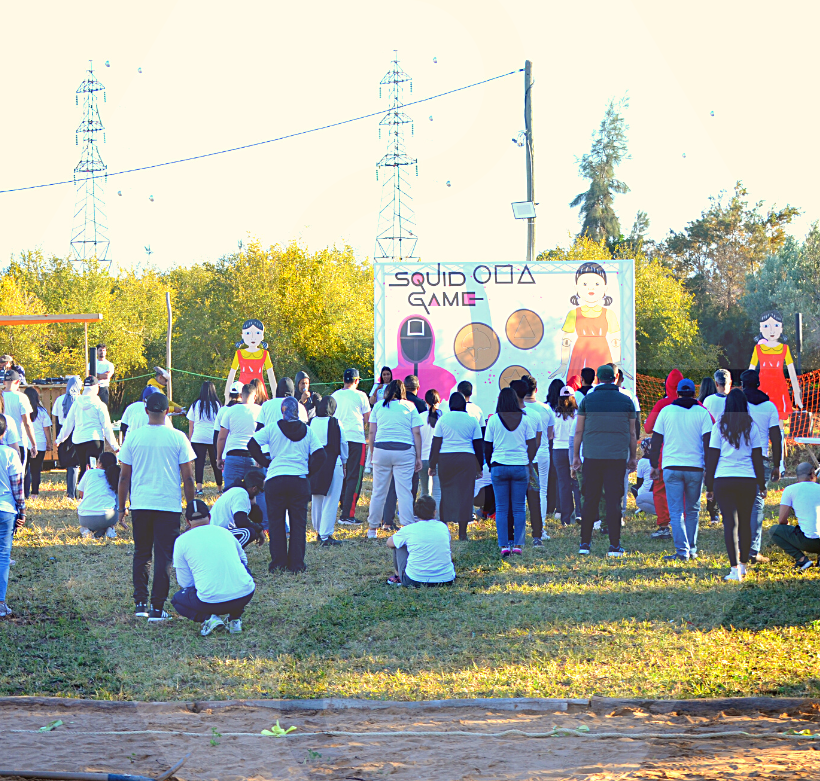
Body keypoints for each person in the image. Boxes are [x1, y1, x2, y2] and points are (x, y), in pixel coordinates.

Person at [118, 391, 196, 620]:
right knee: (164, 557)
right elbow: (189, 478)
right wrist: (191, 508)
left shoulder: (133, 437)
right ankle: (157, 608)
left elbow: (124, 477)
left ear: (145, 411)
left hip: (141, 504)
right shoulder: (178, 437)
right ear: (167, 411)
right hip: (168, 505)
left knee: (142, 553)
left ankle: (140, 603)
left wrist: (121, 508)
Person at [248, 396, 326, 573]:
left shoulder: (273, 428)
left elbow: (251, 443)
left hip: (276, 480)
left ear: (282, 410)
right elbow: (321, 455)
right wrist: (307, 471)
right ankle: (297, 564)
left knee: (276, 524)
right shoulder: (307, 430)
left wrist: (266, 462)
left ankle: (278, 564)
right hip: (298, 480)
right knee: (298, 525)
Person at [573, 364, 637, 557]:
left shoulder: (587, 400)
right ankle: (615, 546)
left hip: (592, 456)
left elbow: (579, 431)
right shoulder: (627, 401)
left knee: (590, 499)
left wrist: (576, 456)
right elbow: (633, 433)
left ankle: (584, 544)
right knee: (613, 500)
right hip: (617, 457)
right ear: (616, 377)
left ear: (597, 380)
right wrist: (633, 457)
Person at [649, 378, 713, 561]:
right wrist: (708, 468)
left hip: (671, 466)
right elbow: (708, 444)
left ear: (677, 393)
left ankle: (681, 551)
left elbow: (656, 441)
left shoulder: (666, 411)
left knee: (676, 512)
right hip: (695, 467)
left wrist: (654, 465)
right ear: (695, 394)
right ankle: (692, 549)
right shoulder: (702, 413)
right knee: (692, 510)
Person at [705, 388, 766, 582]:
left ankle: (733, 571)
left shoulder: (719, 426)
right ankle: (744, 566)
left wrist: (709, 486)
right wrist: (762, 484)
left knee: (730, 524)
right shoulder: (752, 426)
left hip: (724, 479)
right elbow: (757, 458)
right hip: (747, 480)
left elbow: (712, 457)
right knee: (746, 524)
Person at [172, 499, 256, 636]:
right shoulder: (225, 532)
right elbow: (243, 561)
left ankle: (209, 619)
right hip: (245, 593)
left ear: (187, 521)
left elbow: (185, 582)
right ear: (210, 517)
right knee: (242, 570)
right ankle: (235, 619)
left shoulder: (181, 541)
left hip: (209, 601)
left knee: (177, 600)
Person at [366, 379, 423, 538]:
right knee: (404, 491)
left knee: (378, 491)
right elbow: (416, 433)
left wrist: (372, 452)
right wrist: (418, 456)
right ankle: (407, 528)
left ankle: (372, 529)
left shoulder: (378, 406)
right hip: (405, 451)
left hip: (381, 450)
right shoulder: (410, 406)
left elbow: (371, 433)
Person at [484, 387, 537, 556]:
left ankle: (504, 546)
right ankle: (519, 545)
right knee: (519, 508)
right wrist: (527, 460)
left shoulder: (493, 420)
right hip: (520, 467)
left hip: (499, 466)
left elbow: (487, 446)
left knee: (501, 508)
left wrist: (491, 464)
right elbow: (533, 444)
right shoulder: (525, 419)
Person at [740, 368, 783, 565]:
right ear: (758, 384)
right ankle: (753, 550)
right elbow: (776, 436)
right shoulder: (769, 406)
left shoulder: (736, 405)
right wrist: (777, 464)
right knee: (757, 503)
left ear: (741, 385)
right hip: (762, 458)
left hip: (739, 458)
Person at [428, 391, 482, 540]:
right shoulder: (472, 420)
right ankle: (462, 533)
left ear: (450, 404)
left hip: (446, 459)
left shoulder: (443, 419)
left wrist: (432, 465)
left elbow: (436, 443)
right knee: (466, 495)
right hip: (467, 459)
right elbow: (478, 446)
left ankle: (445, 529)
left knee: (446, 493)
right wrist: (479, 468)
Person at [643, 369, 684, 540]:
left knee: (660, 490)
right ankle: (684, 525)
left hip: (664, 452)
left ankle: (664, 526)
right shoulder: (695, 404)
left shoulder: (662, 404)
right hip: (687, 452)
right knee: (685, 489)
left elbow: (647, 428)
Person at [55, 377, 118, 482]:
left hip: (78, 440)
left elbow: (68, 423)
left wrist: (59, 439)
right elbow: (106, 426)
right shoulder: (99, 405)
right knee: (94, 469)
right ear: (96, 387)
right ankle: (93, 491)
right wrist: (115, 446)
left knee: (83, 468)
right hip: (94, 439)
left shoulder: (76, 403)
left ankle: (82, 494)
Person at [386, 495, 456, 587]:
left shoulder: (409, 529)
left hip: (415, 580)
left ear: (416, 512)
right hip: (446, 579)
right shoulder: (443, 527)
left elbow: (390, 543)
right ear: (434, 512)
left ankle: (398, 576)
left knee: (398, 543)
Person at [510, 379, 547, 545]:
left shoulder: (505, 414)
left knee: (513, 501)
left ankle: (514, 536)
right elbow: (537, 441)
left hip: (512, 462)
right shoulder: (535, 415)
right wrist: (529, 458)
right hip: (530, 463)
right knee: (534, 500)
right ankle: (537, 535)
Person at [332, 369, 371, 524]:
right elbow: (368, 418)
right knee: (354, 477)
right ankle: (348, 514)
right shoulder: (361, 395)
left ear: (343, 380)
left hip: (339, 438)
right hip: (355, 438)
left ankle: (341, 506)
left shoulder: (335, 395)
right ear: (356, 381)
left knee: (341, 474)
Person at [309, 396, 348, 547]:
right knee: (331, 498)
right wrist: (345, 462)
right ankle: (325, 534)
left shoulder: (312, 422)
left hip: (315, 461)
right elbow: (343, 443)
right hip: (332, 461)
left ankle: (319, 530)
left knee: (317, 496)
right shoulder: (335, 422)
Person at [522, 375, 555, 543]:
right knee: (542, 491)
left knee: (520, 493)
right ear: (536, 390)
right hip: (541, 454)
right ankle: (540, 529)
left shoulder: (517, 409)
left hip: (522, 455)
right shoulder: (545, 409)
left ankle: (519, 531)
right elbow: (550, 435)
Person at [771, 462, 820, 571]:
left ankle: (802, 560)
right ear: (813, 474)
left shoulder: (790, 490)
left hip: (808, 542)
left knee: (774, 530)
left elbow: (782, 520)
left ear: (797, 477)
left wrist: (788, 525)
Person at [216, 383, 262, 492]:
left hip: (233, 456)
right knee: (258, 493)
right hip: (254, 457)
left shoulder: (230, 411)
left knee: (231, 493)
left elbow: (221, 437)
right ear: (255, 396)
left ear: (241, 395)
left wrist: (219, 458)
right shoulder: (261, 411)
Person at [0, 415, 24, 618]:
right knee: (3, 556)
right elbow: (18, 486)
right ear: (4, 432)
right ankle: (0, 602)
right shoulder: (10, 454)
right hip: (6, 508)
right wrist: (22, 510)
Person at [208, 469, 266, 548]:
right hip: (217, 533)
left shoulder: (239, 491)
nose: (260, 493)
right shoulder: (241, 494)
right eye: (261, 490)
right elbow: (241, 521)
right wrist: (258, 530)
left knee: (251, 530)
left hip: (218, 530)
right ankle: (229, 553)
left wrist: (253, 504)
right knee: (249, 532)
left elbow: (258, 518)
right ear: (254, 488)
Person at [225, 318, 277, 402]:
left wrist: (275, 394)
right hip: (242, 389)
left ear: (262, 336)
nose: (253, 337)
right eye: (248, 333)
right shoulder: (239, 353)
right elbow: (231, 375)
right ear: (243, 335)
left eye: (257, 333)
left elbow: (271, 376)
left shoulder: (264, 354)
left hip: (259, 389)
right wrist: (227, 395)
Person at [187, 381, 223, 495]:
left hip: (198, 438)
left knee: (199, 463)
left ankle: (199, 489)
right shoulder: (217, 405)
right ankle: (219, 488)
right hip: (213, 438)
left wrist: (190, 439)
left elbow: (191, 424)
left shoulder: (195, 404)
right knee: (216, 462)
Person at [553, 387, 581, 525]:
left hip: (558, 450)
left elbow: (550, 435)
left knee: (563, 484)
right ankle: (579, 514)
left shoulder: (554, 414)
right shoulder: (577, 414)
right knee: (576, 483)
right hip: (573, 450)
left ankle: (565, 518)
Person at [77, 451, 119, 539]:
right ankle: (109, 527)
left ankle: (87, 530)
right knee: (116, 495)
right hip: (107, 517)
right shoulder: (115, 476)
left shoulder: (90, 473)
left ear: (99, 463)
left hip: (84, 517)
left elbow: (81, 493)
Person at [3, 370, 37, 478]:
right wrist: (33, 443)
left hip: (2, 440)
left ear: (4, 382)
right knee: (18, 474)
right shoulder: (21, 397)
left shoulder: (1, 396)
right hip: (18, 441)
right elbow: (27, 422)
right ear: (18, 382)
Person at [52, 375, 81, 498]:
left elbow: (55, 416)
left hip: (62, 432)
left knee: (69, 464)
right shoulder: (80, 400)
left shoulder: (59, 400)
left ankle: (71, 491)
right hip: (76, 431)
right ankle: (73, 492)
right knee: (75, 464)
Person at [21, 386, 51, 498]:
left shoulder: (24, 411)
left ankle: (24, 491)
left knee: (25, 468)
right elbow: (46, 428)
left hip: (25, 442)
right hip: (40, 443)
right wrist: (49, 442)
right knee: (36, 469)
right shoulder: (42, 412)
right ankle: (35, 493)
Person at [419, 389, 442, 514]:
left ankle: (423, 515)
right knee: (437, 491)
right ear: (439, 401)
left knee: (424, 490)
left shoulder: (420, 417)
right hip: (438, 458)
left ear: (425, 401)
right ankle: (437, 517)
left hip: (422, 457)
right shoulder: (443, 418)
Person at [546, 378, 565, 518]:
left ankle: (548, 506)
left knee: (548, 476)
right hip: (560, 444)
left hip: (547, 443)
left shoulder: (546, 407)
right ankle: (560, 506)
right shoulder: (565, 410)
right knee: (559, 476)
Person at [633, 438, 656, 517]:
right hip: (658, 489)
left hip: (647, 490)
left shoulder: (642, 461)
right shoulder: (660, 459)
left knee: (634, 488)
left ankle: (643, 507)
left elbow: (639, 480)